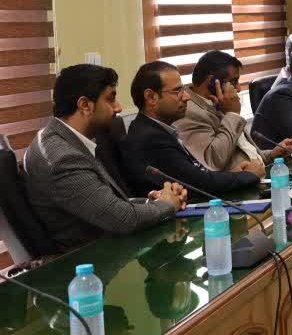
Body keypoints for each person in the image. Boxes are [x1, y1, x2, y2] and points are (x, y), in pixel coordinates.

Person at [23, 64, 187, 253]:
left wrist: (154, 201)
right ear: (85, 105)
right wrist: (167, 204)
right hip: (91, 257)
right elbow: (123, 219)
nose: (118, 107)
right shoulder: (62, 158)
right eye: (110, 99)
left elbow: (103, 203)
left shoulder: (61, 138)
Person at [126, 61, 262, 197]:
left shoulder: (157, 129)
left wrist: (234, 173)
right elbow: (199, 184)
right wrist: (249, 175)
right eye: (177, 91)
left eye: (184, 90)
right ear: (151, 97)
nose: (186, 97)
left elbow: (195, 174)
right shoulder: (150, 137)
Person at [176, 51, 292, 175]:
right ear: (212, 82)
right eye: (234, 81)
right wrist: (233, 114)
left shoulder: (222, 102)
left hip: (260, 176)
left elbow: (242, 153)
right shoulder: (188, 113)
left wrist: (272, 155)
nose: (238, 88)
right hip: (239, 185)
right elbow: (214, 161)